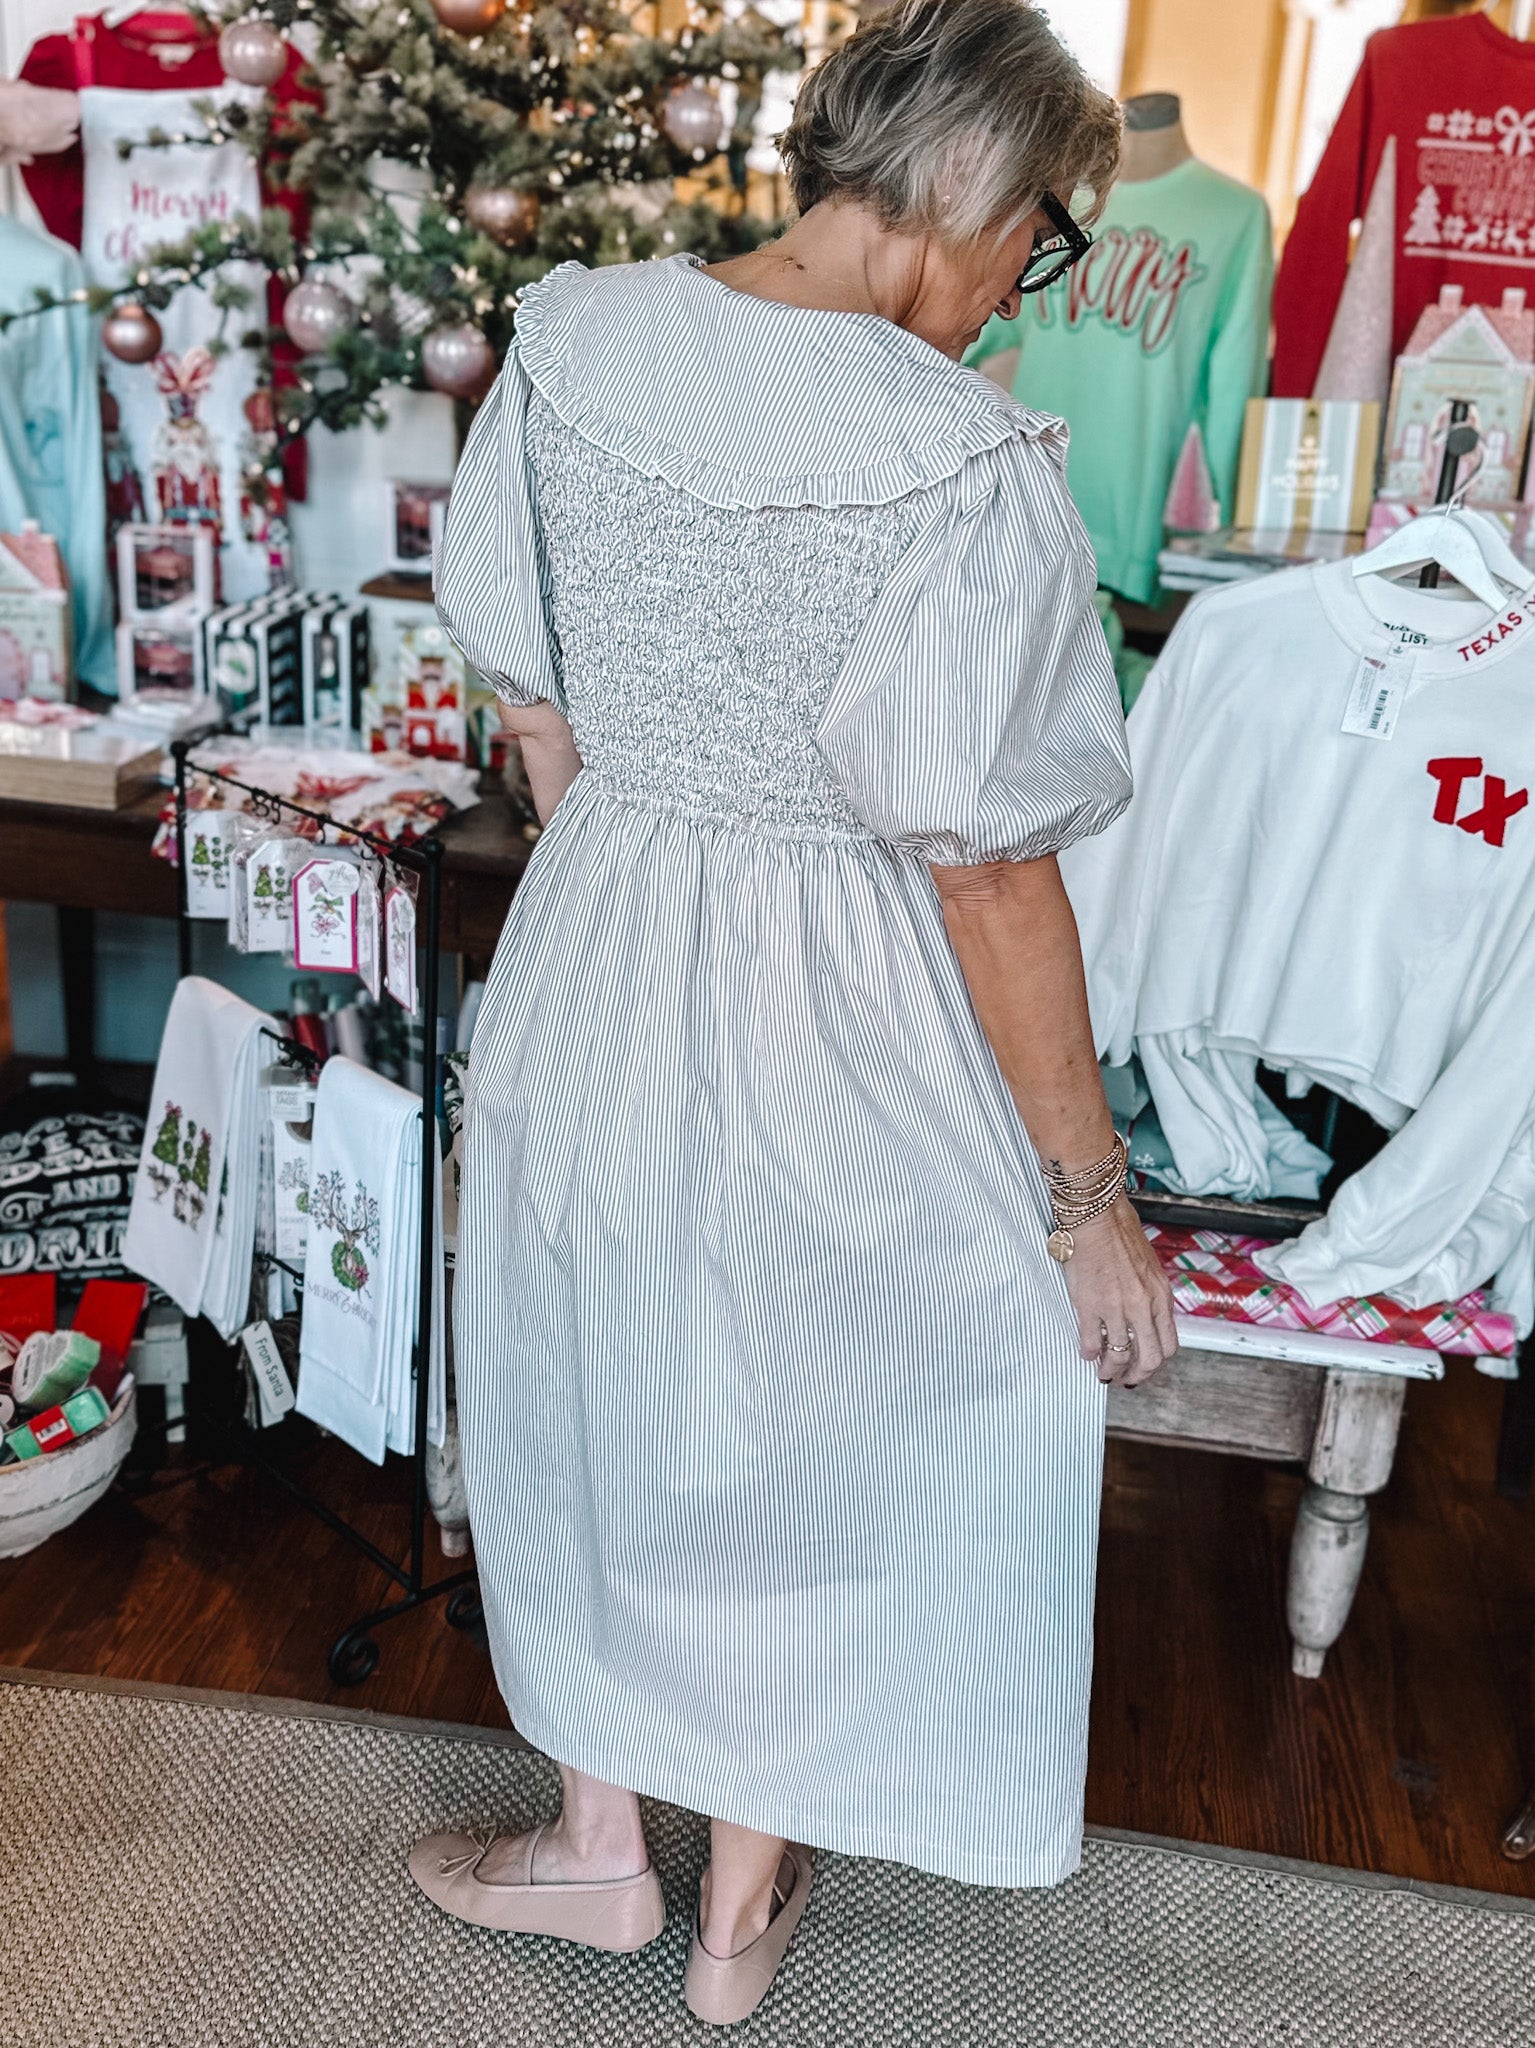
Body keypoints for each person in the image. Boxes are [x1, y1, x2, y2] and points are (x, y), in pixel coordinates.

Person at [414, 0, 1177, 2022]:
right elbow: (990, 872)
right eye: (1046, 236)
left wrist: (642, 884)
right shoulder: (960, 462)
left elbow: (533, 701)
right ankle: (734, 1912)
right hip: (849, 997)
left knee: (597, 1372)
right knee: (818, 1409)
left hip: (598, 933)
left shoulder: (572, 338)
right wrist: (1086, 1199)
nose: (1027, 281)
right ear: (973, 185)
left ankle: (597, 1845)